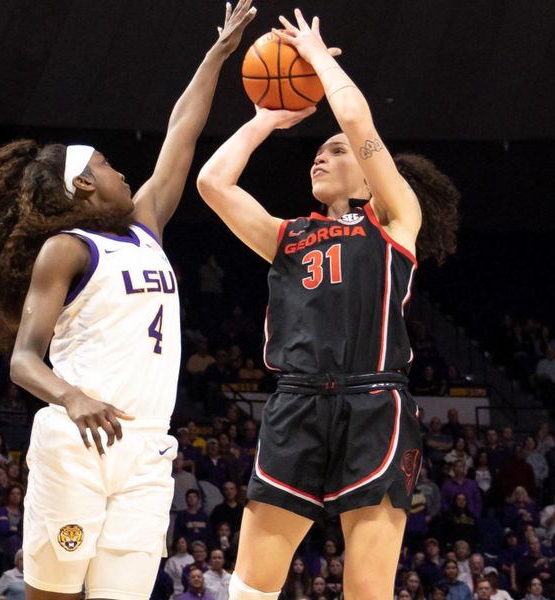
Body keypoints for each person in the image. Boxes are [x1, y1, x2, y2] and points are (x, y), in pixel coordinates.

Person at [0, 4, 256, 600]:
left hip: (149, 447)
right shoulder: (66, 249)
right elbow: (24, 360)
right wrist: (72, 397)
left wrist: (218, 55)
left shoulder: (147, 225)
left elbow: (181, 133)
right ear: (81, 185)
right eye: (104, 164)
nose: (121, 171)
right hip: (77, 444)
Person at [196, 8, 459, 600]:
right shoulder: (289, 235)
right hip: (295, 402)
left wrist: (315, 59)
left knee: (367, 591)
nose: (321, 156)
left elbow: (356, 117)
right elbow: (214, 184)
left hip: (374, 405)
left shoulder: (395, 221)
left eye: (338, 152)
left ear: (368, 177)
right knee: (249, 588)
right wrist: (264, 119)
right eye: (318, 152)